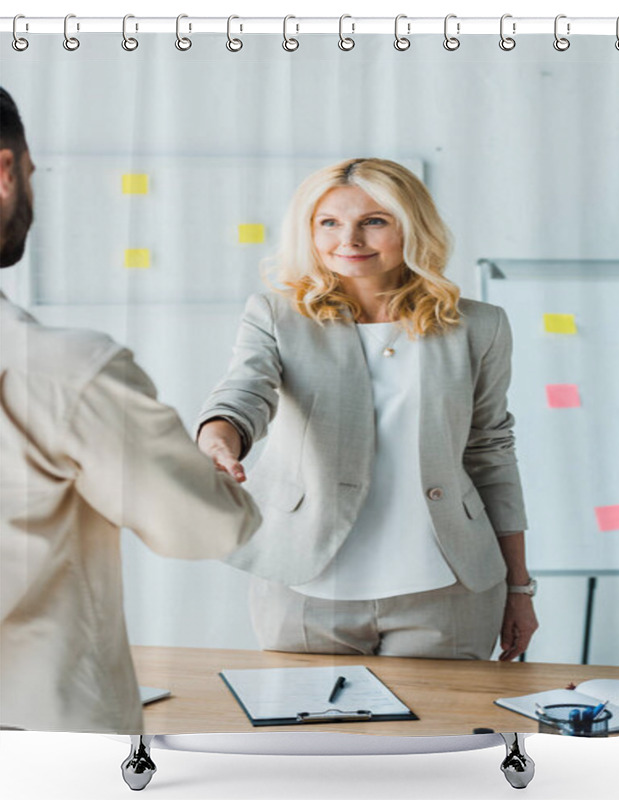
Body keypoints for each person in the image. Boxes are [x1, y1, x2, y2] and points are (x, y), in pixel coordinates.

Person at [198, 157, 538, 662]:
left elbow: (490, 451)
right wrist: (219, 439)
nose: (349, 240)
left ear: (412, 227)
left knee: (435, 740)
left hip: (448, 589)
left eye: (374, 221)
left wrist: (519, 588)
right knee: (316, 740)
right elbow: (245, 393)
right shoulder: (276, 315)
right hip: (306, 585)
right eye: (329, 223)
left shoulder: (479, 327)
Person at [0, 87, 262, 734]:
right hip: (42, 741)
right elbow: (204, 526)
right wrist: (211, 471)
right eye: (31, 175)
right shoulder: (63, 370)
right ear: (4, 174)